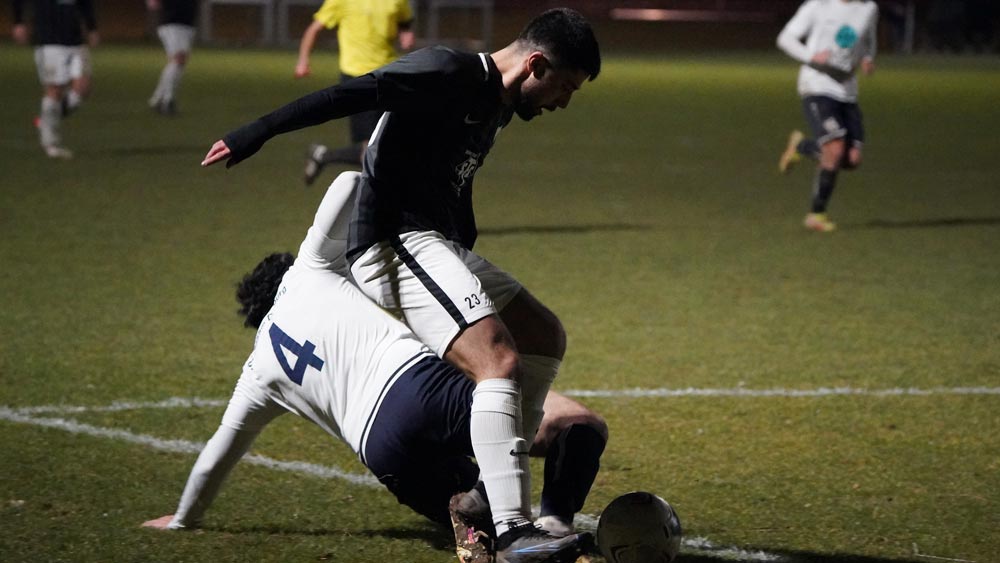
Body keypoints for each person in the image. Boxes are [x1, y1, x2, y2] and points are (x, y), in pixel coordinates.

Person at [200, 7, 600, 544]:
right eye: (566, 87)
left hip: (431, 242)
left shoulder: (498, 105)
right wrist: (258, 131)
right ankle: (511, 532)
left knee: (544, 336)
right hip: (389, 241)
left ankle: (490, 493)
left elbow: (454, 177)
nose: (563, 102)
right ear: (536, 65)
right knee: (498, 361)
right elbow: (349, 94)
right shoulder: (447, 71)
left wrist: (463, 235)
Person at [142, 172, 607, 563]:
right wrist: (393, 168)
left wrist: (183, 519)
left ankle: (514, 542)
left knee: (478, 520)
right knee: (579, 426)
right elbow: (349, 182)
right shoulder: (307, 271)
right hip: (418, 389)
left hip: (386, 455)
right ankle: (553, 524)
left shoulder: (256, 371)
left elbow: (218, 454)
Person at [777, 0, 878, 232]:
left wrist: (868, 58)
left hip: (847, 89)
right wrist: (811, 56)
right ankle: (816, 214)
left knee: (852, 159)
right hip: (817, 84)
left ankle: (802, 146)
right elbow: (785, 38)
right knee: (834, 147)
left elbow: (868, 38)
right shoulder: (818, 5)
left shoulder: (869, 8)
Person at [294, 0, 415, 182]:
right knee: (373, 149)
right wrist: (303, 60)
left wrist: (405, 34)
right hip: (357, 78)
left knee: (388, 144)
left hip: (389, 75)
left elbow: (405, 22)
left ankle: (322, 155)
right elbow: (314, 29)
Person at [12, 0, 99, 159]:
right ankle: (50, 143)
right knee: (55, 90)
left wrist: (92, 27)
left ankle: (45, 122)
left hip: (75, 39)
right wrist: (18, 22)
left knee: (83, 88)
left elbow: (86, 3)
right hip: (49, 40)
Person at [146, 0, 198, 116]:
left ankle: (157, 99)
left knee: (179, 64)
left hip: (186, 24)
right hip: (172, 22)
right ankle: (168, 101)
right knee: (178, 61)